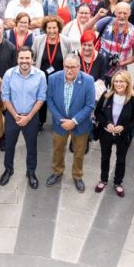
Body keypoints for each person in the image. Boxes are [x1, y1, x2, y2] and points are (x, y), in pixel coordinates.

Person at [45, 54, 96, 192]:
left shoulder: (88, 80)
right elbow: (50, 100)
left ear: (79, 67)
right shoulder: (53, 78)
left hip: (80, 124)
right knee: (57, 149)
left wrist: (74, 121)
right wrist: (61, 120)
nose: (69, 70)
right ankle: (57, 172)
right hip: (60, 123)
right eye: (67, 67)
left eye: (73, 67)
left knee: (79, 152)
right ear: (63, 66)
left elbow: (90, 105)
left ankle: (77, 175)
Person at [0, 47, 46, 189]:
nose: (24, 61)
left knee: (32, 147)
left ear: (32, 59)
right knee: (9, 146)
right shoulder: (9, 74)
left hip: (31, 117)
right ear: (17, 59)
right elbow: (5, 96)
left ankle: (31, 172)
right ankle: (8, 169)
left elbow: (41, 98)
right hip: (12, 115)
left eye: (27, 58)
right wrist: (15, 115)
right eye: (22, 58)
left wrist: (28, 117)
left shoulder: (40, 75)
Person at [93, 70, 134, 197]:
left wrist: (124, 127)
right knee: (105, 157)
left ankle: (118, 183)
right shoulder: (106, 95)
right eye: (116, 81)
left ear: (127, 83)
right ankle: (103, 179)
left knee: (121, 160)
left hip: (122, 136)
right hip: (106, 134)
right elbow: (97, 113)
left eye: (122, 81)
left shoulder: (133, 99)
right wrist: (106, 124)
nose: (118, 84)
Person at [96, 2, 134, 80]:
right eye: (119, 12)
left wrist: (123, 63)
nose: (122, 16)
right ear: (115, 12)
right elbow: (87, 30)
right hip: (100, 69)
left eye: (125, 13)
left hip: (119, 74)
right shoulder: (107, 21)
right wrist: (97, 16)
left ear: (130, 13)